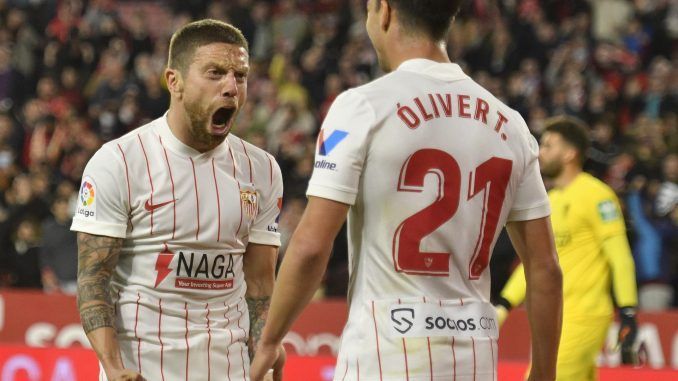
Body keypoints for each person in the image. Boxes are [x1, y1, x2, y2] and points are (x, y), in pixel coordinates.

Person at [251, 1, 563, 380]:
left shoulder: (362, 106)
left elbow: (312, 246)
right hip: (475, 361)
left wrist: (271, 338)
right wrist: (544, 372)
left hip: (385, 355)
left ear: (383, 11)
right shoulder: (511, 125)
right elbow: (546, 268)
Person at [71, 19, 285, 381]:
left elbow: (261, 286)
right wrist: (112, 367)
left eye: (240, 75)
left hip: (230, 369)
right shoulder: (119, 161)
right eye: (215, 73)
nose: (231, 87)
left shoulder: (262, 170)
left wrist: (266, 345)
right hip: (142, 369)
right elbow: (94, 278)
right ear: (175, 82)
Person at [496, 116, 639, 380]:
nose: (540, 152)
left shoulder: (598, 195)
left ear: (570, 154)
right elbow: (535, 262)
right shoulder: (550, 200)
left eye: (549, 145)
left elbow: (620, 258)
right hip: (555, 315)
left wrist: (628, 311)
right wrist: (504, 305)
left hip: (584, 315)